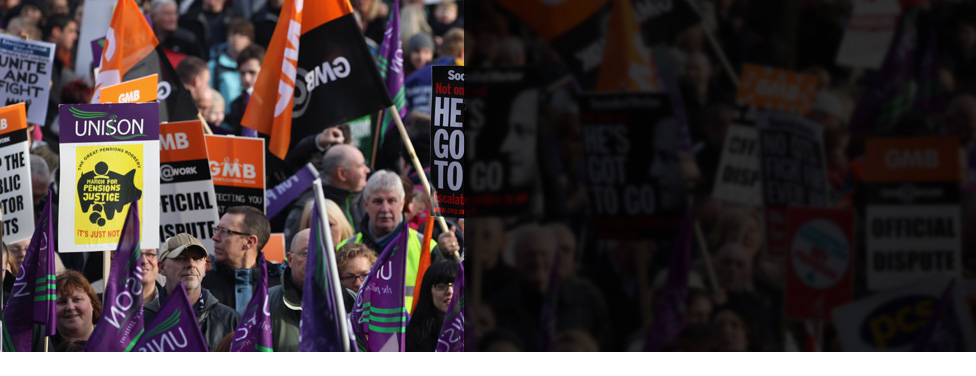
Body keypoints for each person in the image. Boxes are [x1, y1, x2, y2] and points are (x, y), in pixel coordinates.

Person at [337, 170, 459, 309]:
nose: (385, 208)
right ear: (365, 204)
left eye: (391, 201)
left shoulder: (426, 247)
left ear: (402, 204)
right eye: (378, 201)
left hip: (411, 329)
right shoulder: (345, 248)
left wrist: (448, 257)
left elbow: (447, 298)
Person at [149, 233, 240, 351]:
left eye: (197, 258)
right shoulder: (141, 320)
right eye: (181, 258)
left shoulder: (230, 320)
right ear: (161, 267)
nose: (191, 264)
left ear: (205, 267)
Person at [284, 144, 369, 248]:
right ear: (342, 174)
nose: (367, 170)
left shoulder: (370, 200)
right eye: (360, 166)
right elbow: (294, 257)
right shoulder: (307, 209)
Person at [204, 206, 281, 314]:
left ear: (250, 242)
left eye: (225, 231)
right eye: (217, 229)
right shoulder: (203, 284)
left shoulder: (281, 286)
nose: (215, 237)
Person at [404, 27, 464, 115]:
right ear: (462, 53)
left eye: (426, 52)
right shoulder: (461, 76)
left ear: (440, 50)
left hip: (417, 126)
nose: (421, 57)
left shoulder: (412, 78)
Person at [268, 228, 308, 352]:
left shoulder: (351, 303)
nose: (314, 259)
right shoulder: (266, 304)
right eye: (306, 253)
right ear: (290, 260)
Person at [405, 260, 457, 352]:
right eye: (441, 286)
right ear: (428, 292)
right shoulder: (410, 336)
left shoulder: (477, 330)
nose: (450, 291)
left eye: (456, 285)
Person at [207, 18, 253, 104]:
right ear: (227, 37)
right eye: (233, 33)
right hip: (222, 115)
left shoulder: (257, 66)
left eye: (242, 35)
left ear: (249, 41)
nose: (236, 38)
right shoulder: (214, 65)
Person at [52, 270, 101, 350]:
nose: (70, 307)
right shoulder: (44, 346)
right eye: (62, 302)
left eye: (77, 300)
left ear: (92, 304)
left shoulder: (112, 341)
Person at [223, 44, 264, 135]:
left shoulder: (277, 105)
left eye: (252, 72)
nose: (246, 79)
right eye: (242, 73)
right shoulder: (236, 105)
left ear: (265, 71)